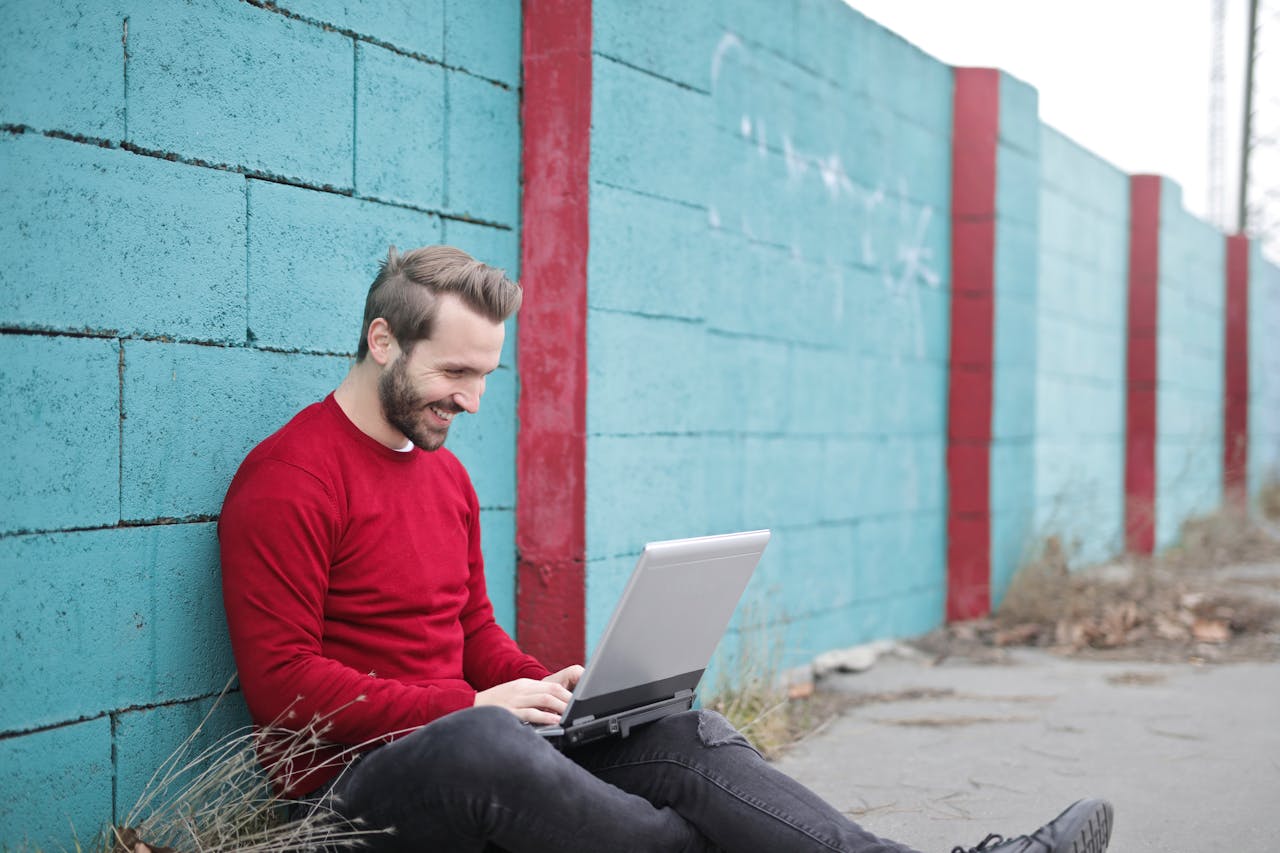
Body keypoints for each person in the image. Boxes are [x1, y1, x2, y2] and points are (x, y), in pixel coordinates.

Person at [219, 245, 1115, 853]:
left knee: (682, 732)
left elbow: (475, 633)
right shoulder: (291, 476)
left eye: (486, 375)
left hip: (474, 728)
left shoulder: (443, 477)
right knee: (484, 746)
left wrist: (557, 688)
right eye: (455, 373)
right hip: (353, 797)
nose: (474, 401)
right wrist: (475, 703)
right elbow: (285, 686)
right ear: (382, 340)